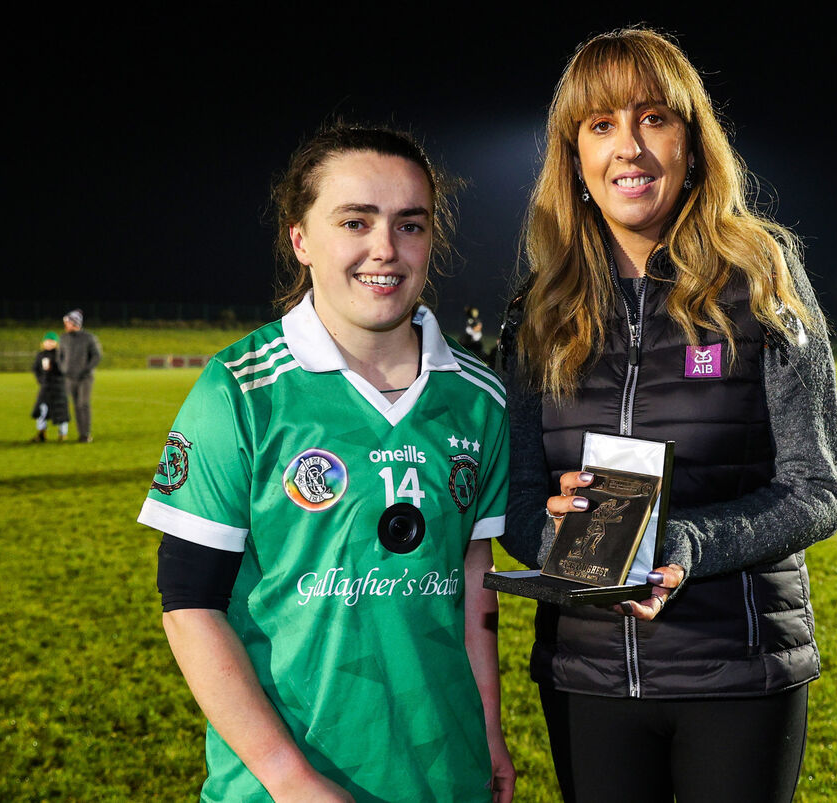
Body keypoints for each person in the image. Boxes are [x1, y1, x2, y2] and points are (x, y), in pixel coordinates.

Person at [498, 28, 837, 803]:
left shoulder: (762, 279)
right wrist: (558, 535)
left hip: (739, 666)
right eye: (601, 125)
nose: (630, 147)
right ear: (575, 159)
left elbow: (817, 489)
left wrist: (686, 542)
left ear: (692, 143)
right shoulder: (541, 309)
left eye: (654, 118)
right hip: (585, 678)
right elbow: (517, 502)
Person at [137, 124, 515, 803]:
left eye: (410, 224)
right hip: (281, 785)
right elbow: (190, 604)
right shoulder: (239, 389)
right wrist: (290, 780)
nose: (385, 249)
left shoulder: (479, 398)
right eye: (355, 221)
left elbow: (473, 585)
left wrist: (488, 733)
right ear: (301, 239)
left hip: (444, 775)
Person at [58, 308, 102, 443]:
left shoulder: (89, 338)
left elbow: (96, 356)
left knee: (83, 404)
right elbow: (59, 356)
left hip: (84, 378)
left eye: (67, 322)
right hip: (69, 378)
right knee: (76, 406)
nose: (65, 325)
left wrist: (86, 370)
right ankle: (81, 434)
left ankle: (85, 434)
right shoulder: (63, 338)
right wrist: (63, 369)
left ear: (75, 323)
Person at [30, 331, 69, 442]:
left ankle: (63, 434)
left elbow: (64, 370)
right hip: (45, 387)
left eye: (52, 341)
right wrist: (41, 380)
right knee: (42, 410)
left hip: (58, 386)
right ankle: (42, 433)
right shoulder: (40, 355)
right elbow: (36, 369)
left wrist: (54, 366)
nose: (49, 343)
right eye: (47, 341)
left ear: (56, 343)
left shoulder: (60, 354)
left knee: (61, 410)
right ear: (43, 342)